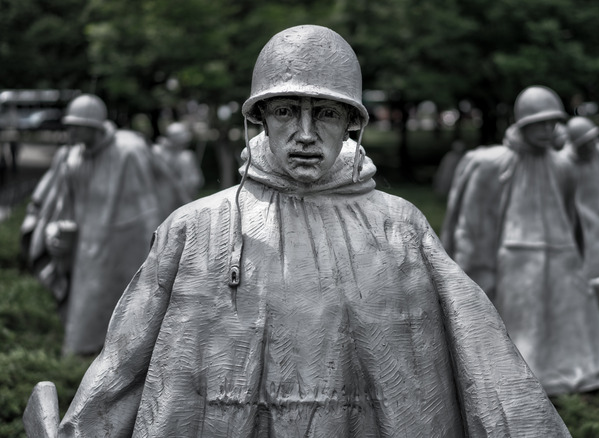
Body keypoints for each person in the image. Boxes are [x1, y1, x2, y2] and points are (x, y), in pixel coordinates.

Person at [30, 26, 570, 437]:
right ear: (261, 120)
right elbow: (123, 362)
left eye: (327, 115)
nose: (306, 134)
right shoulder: (196, 228)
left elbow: (484, 360)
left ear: (351, 123)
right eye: (287, 111)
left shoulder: (399, 225)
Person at [441, 85, 599, 395]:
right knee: (518, 337)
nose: (548, 130)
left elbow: (572, 218)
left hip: (561, 256)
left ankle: (565, 380)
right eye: (539, 122)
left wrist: (578, 263)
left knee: (566, 334)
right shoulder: (491, 163)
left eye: (552, 122)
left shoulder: (562, 166)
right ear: (523, 123)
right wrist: (472, 273)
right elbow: (473, 226)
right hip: (516, 258)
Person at [20, 94, 163, 356]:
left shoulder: (128, 151)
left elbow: (149, 208)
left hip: (124, 251)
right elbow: (62, 205)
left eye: (75, 125)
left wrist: (154, 256)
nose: (69, 130)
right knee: (83, 328)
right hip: (85, 252)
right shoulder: (73, 157)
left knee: (128, 325)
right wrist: (54, 232)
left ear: (93, 126)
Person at [560, 116, 599, 297]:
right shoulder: (563, 162)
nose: (591, 145)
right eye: (585, 142)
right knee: (590, 262)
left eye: (593, 140)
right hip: (583, 220)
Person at [150, 121, 204, 217]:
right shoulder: (157, 152)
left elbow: (195, 181)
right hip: (162, 201)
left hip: (181, 201)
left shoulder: (185, 156)